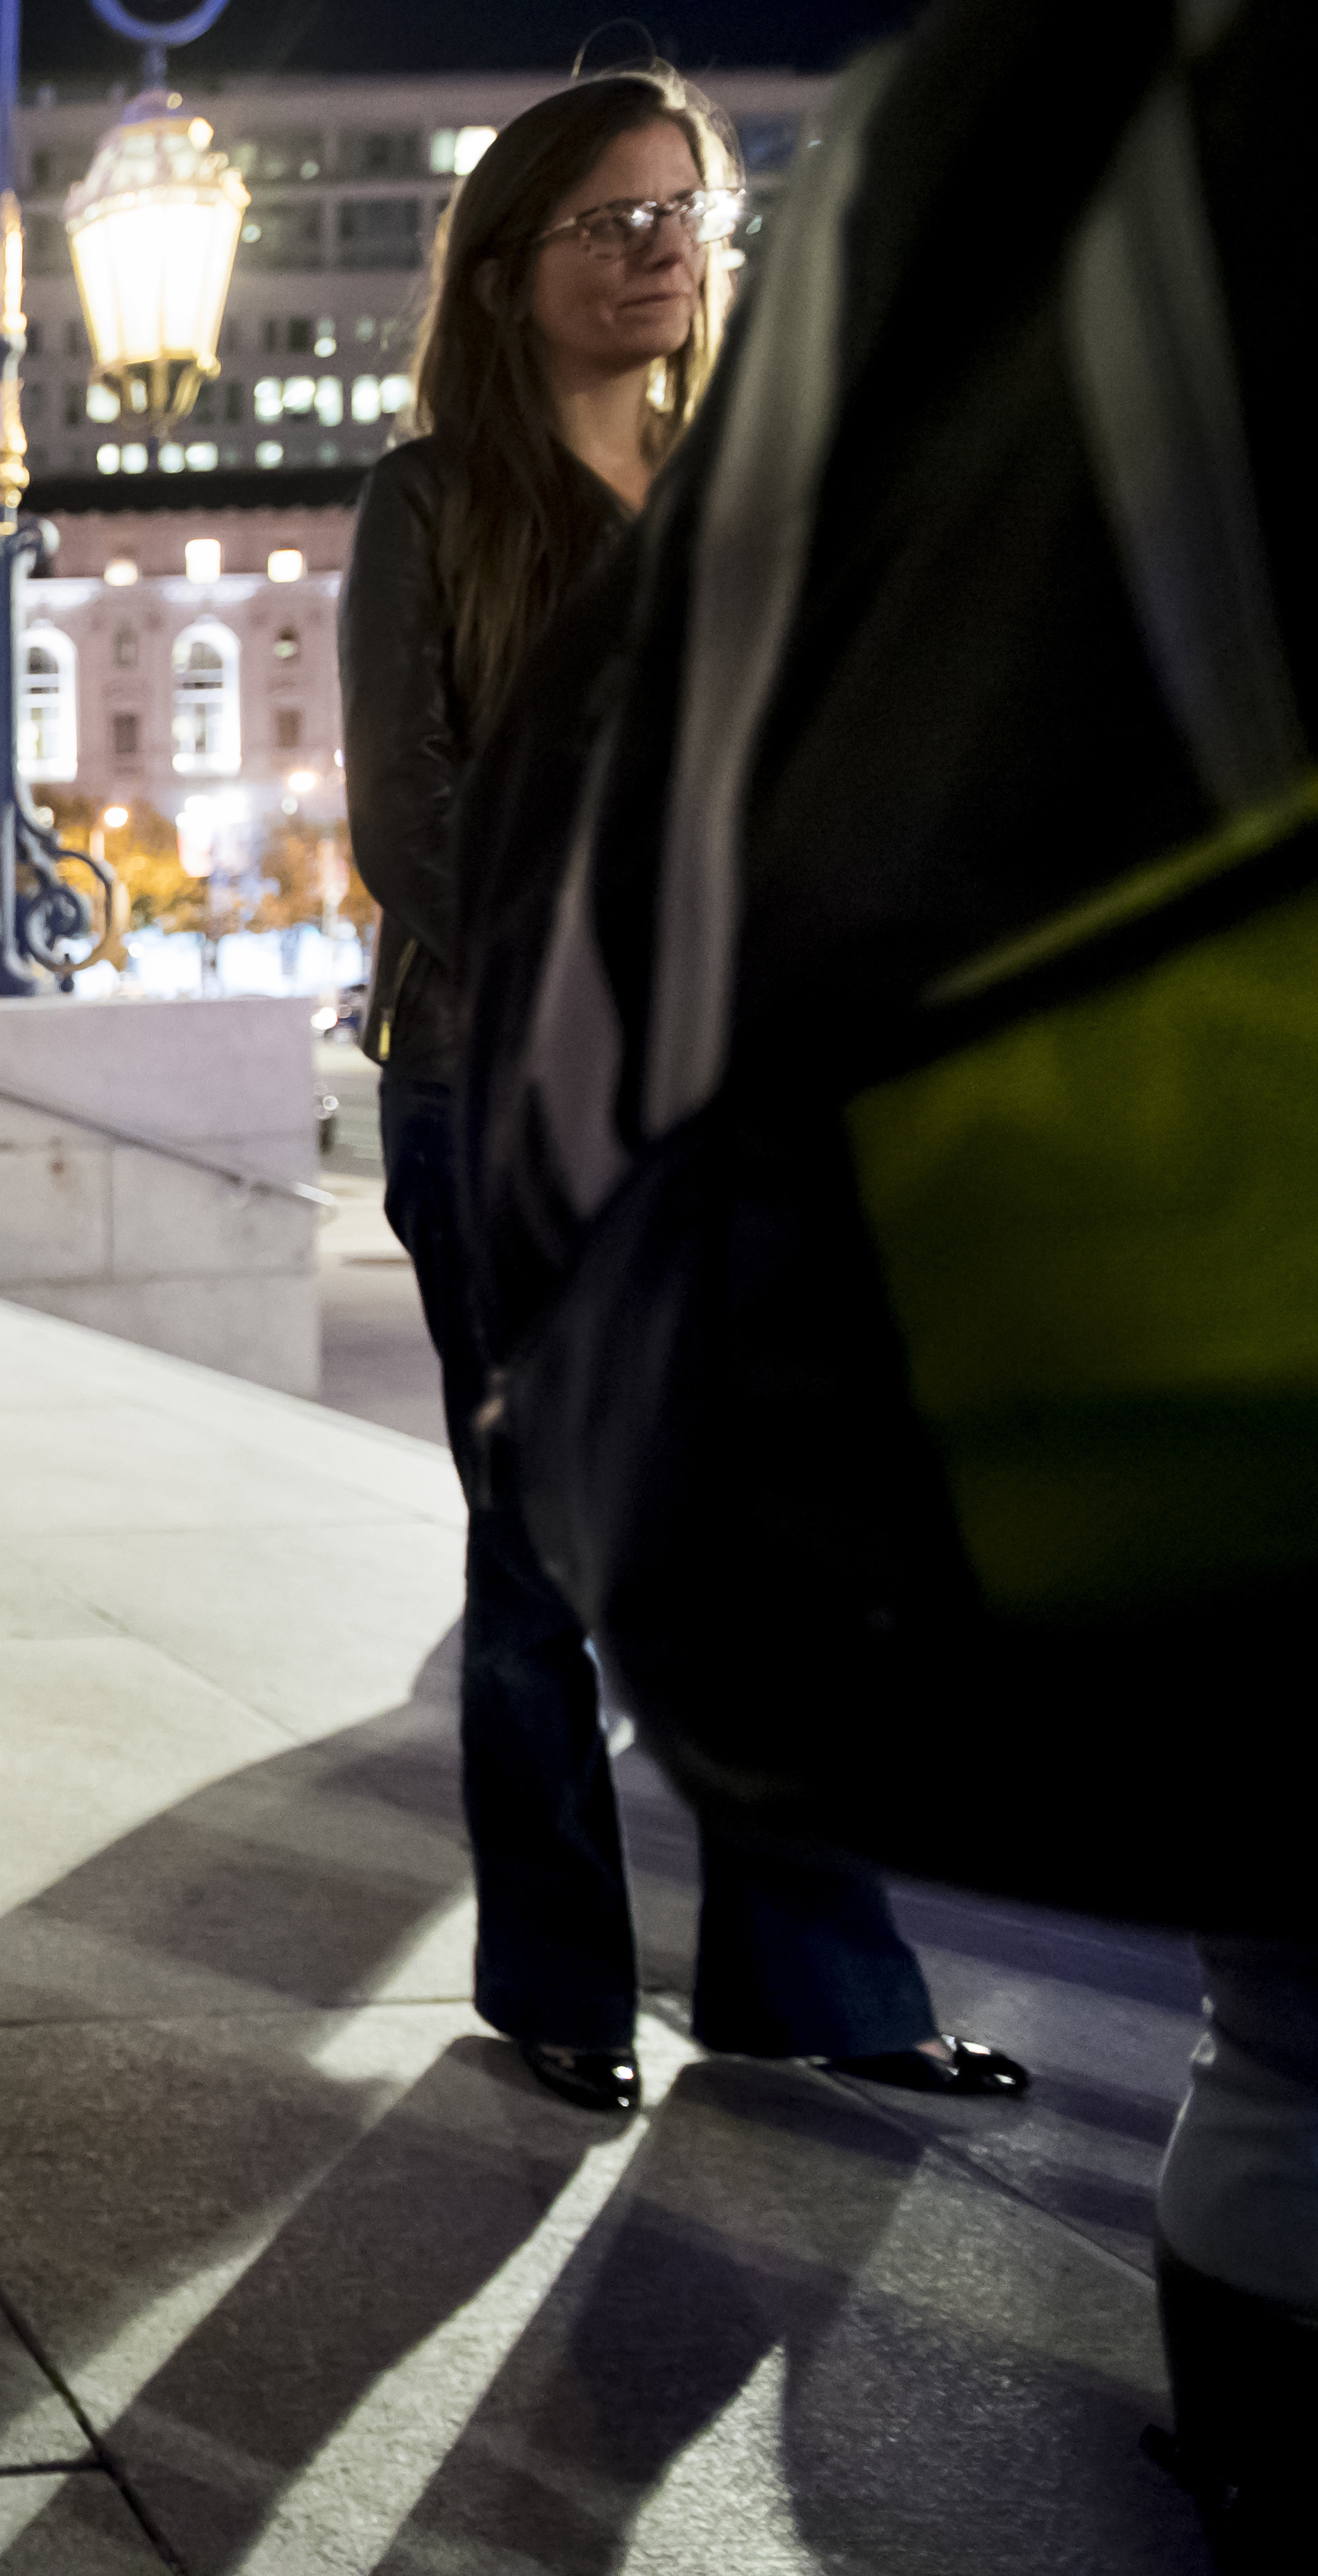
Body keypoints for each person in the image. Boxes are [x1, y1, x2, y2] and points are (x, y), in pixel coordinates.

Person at [337, 66, 1023, 2119]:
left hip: (754, 1100)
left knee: (784, 1543)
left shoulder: (764, 481)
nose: (654, 252)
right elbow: (412, 824)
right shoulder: (434, 501)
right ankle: (556, 1983)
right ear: (513, 268)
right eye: (605, 220)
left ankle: (822, 1985)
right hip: (507, 1094)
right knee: (544, 1547)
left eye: (681, 213)